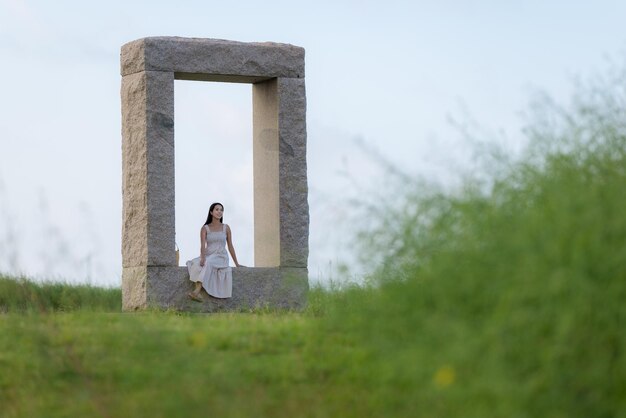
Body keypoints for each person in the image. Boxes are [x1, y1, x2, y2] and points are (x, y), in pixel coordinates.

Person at [186, 202, 240, 301]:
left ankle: (197, 291)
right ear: (211, 212)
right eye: (217, 209)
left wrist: (237, 263)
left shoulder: (226, 228)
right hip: (209, 254)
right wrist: (202, 258)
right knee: (196, 263)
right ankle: (197, 293)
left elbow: (230, 246)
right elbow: (202, 245)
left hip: (221, 256)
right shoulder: (205, 228)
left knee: (208, 263)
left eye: (221, 210)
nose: (219, 212)